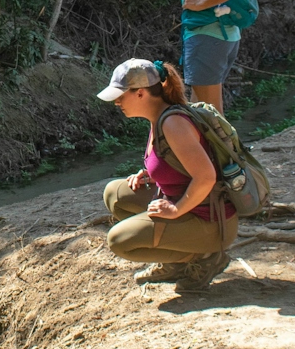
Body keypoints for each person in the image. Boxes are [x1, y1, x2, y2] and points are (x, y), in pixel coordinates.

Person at [96, 57, 238, 288]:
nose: (117, 102)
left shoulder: (173, 124)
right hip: (196, 209)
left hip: (211, 223)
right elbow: (181, 164)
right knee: (115, 194)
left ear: (140, 93)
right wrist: (153, 175)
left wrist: (175, 209)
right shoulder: (159, 118)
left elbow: (206, 177)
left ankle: (203, 258)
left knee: (119, 240)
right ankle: (177, 258)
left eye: (121, 96)